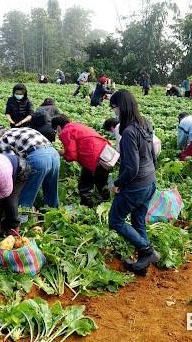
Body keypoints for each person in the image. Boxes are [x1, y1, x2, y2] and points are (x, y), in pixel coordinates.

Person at [108, 90, 159, 276]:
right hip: (150, 181)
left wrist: (117, 183)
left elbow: (131, 168)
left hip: (136, 185)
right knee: (138, 221)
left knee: (115, 220)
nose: (113, 112)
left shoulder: (128, 132)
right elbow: (153, 155)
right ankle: (142, 264)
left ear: (121, 107)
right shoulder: (145, 123)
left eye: (113, 107)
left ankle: (147, 251)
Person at [0, 125, 59, 210]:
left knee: (27, 192)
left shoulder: (3, 139)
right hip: (54, 154)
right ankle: (53, 213)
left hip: (39, 158)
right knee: (51, 190)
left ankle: (23, 219)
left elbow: (12, 164)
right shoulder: (24, 129)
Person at [51, 115, 113, 206]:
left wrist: (62, 153)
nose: (57, 133)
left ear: (58, 127)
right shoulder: (76, 126)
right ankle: (107, 204)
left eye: (56, 131)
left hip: (93, 158)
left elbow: (71, 156)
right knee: (102, 183)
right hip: (104, 153)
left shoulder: (65, 131)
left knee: (85, 184)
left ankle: (87, 206)